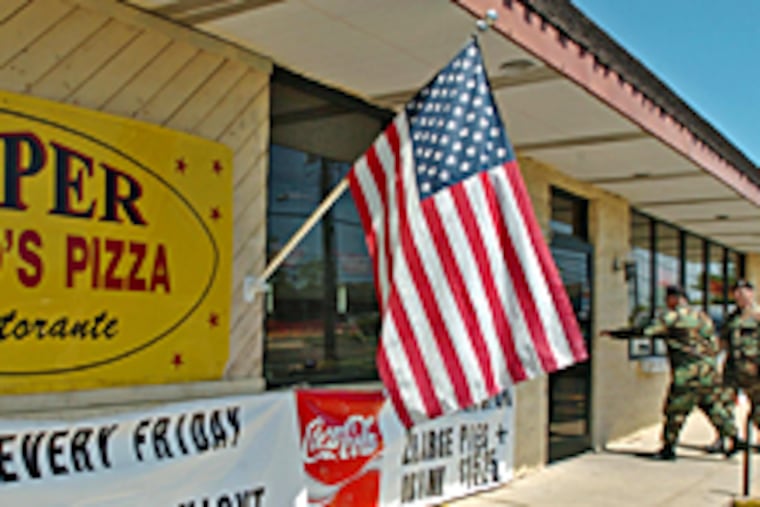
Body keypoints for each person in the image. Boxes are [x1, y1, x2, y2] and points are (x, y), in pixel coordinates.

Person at [602, 284, 737, 460]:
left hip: (687, 374)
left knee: (675, 411)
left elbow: (644, 331)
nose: (666, 303)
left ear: (674, 298)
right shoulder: (702, 317)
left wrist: (615, 334)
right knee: (712, 407)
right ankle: (734, 438)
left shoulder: (671, 317)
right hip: (708, 372)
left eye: (667, 299)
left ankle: (668, 448)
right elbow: (714, 344)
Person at [723, 279, 760, 433]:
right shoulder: (732, 317)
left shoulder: (758, 315)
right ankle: (728, 437)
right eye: (736, 292)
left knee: (758, 409)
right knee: (723, 404)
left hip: (753, 369)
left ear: (751, 293)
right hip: (733, 368)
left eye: (743, 292)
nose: (739, 295)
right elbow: (724, 341)